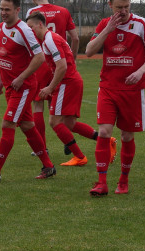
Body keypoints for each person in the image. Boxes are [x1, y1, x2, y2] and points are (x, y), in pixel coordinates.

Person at [85, 0, 145, 195]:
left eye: (126, 7)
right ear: (110, 5)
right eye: (119, 7)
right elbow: (89, 51)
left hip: (133, 90)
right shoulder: (103, 25)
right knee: (104, 132)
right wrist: (107, 30)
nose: (123, 11)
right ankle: (101, 182)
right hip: (108, 88)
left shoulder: (142, 25)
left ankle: (124, 180)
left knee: (127, 136)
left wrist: (140, 71)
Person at [0, 0, 55, 182]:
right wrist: (0, 80)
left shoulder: (24, 30)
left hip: (24, 87)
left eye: (7, 9)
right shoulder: (1, 28)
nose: (3, 12)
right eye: (1, 9)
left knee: (8, 123)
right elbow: (4, 57)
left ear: (17, 10)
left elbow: (39, 57)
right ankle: (49, 166)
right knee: (27, 126)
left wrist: (21, 77)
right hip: (11, 87)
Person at [27, 11, 98, 167]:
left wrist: (49, 87)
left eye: (31, 27)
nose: (30, 31)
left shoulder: (49, 40)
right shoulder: (50, 38)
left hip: (67, 83)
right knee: (69, 123)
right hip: (71, 81)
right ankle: (105, 140)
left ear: (40, 24)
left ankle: (79, 156)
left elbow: (62, 66)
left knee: (54, 121)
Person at [25, 0, 78, 151]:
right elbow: (75, 38)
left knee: (38, 104)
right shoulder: (63, 11)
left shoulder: (32, 13)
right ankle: (66, 141)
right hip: (59, 62)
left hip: (42, 61)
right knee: (55, 107)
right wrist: (72, 59)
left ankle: (41, 148)